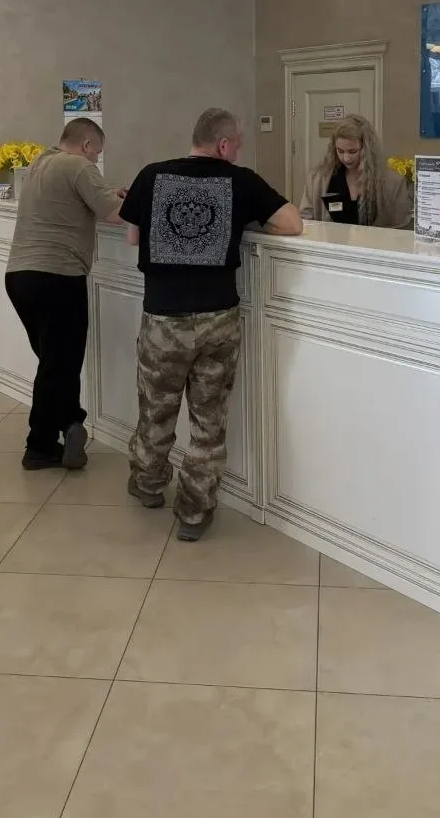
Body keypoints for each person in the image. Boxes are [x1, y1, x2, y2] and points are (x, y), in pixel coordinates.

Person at [119, 108, 303, 541]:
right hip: (218, 319)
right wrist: (245, 222)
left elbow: (131, 236)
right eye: (237, 144)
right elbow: (292, 223)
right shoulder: (241, 181)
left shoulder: (151, 175)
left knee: (156, 408)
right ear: (223, 145)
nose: (238, 151)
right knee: (209, 420)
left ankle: (148, 484)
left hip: (163, 317)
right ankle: (194, 512)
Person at [5, 118, 123, 471]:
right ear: (86, 145)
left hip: (20, 277)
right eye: (97, 153)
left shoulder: (40, 163)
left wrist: (108, 193)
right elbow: (115, 214)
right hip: (58, 276)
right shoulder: (79, 166)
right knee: (60, 363)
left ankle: (71, 423)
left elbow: (78, 200)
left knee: (56, 361)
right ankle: (40, 446)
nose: (96, 159)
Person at [300, 114, 410, 227]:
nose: (346, 158)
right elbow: (306, 220)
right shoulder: (318, 179)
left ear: (366, 149)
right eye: (340, 151)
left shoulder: (393, 183)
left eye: (352, 151)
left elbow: (400, 227)